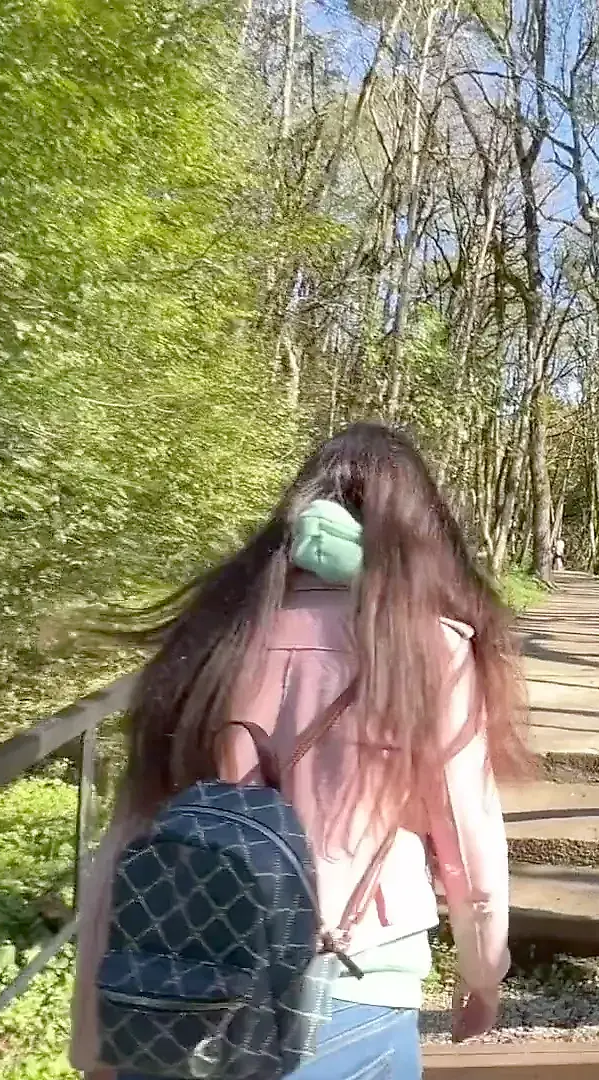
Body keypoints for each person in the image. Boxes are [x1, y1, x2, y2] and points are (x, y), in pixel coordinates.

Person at [70, 423, 531, 1080]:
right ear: (418, 534)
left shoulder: (212, 636)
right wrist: (483, 974)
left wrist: (96, 1035)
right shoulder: (433, 649)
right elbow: (467, 837)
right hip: (353, 977)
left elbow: (129, 836)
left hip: (179, 985)